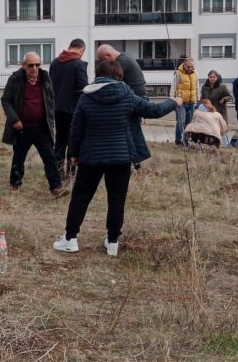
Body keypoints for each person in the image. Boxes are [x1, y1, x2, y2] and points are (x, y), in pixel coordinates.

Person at [54, 59, 181, 255]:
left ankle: (70, 239)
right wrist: (174, 102)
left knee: (80, 197)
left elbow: (76, 129)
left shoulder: (86, 97)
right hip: (121, 158)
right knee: (117, 199)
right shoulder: (127, 95)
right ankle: (112, 242)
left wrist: (73, 154)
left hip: (91, 157)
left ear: (97, 74)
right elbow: (154, 111)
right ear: (119, 75)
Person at [1, 52, 68, 197]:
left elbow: (51, 99)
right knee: (19, 158)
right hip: (22, 128)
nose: (34, 68)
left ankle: (56, 187)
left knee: (50, 157)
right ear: (24, 65)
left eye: (37, 64)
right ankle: (15, 183)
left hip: (42, 127)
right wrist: (15, 119)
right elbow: (5, 100)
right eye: (30, 65)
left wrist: (51, 118)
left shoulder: (45, 78)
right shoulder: (15, 79)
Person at [96, 44, 147, 169]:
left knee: (130, 133)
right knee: (131, 132)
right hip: (137, 98)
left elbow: (107, 80)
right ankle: (135, 164)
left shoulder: (121, 63)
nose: (102, 63)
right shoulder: (125, 57)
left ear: (108, 55)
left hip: (133, 101)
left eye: (102, 60)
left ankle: (135, 164)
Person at [49, 39, 89, 181]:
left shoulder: (55, 62)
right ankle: (71, 174)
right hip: (74, 109)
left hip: (58, 108)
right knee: (73, 141)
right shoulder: (78, 64)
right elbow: (83, 87)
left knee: (60, 140)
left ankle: (58, 171)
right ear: (81, 49)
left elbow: (50, 85)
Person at [170, 57, 199, 145]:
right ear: (184, 66)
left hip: (191, 102)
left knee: (188, 123)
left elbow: (197, 88)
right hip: (181, 102)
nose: (190, 69)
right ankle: (178, 141)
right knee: (181, 121)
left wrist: (197, 100)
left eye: (192, 67)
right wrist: (173, 101)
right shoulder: (178, 74)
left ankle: (186, 141)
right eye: (188, 67)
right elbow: (173, 88)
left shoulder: (196, 74)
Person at [199, 70, 232, 135]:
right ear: (208, 77)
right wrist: (201, 104)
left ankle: (222, 142)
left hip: (220, 110)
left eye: (214, 77)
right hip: (208, 110)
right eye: (211, 77)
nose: (212, 78)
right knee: (209, 128)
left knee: (220, 128)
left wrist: (224, 100)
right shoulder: (204, 87)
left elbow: (229, 96)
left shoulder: (222, 86)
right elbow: (202, 98)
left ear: (217, 77)